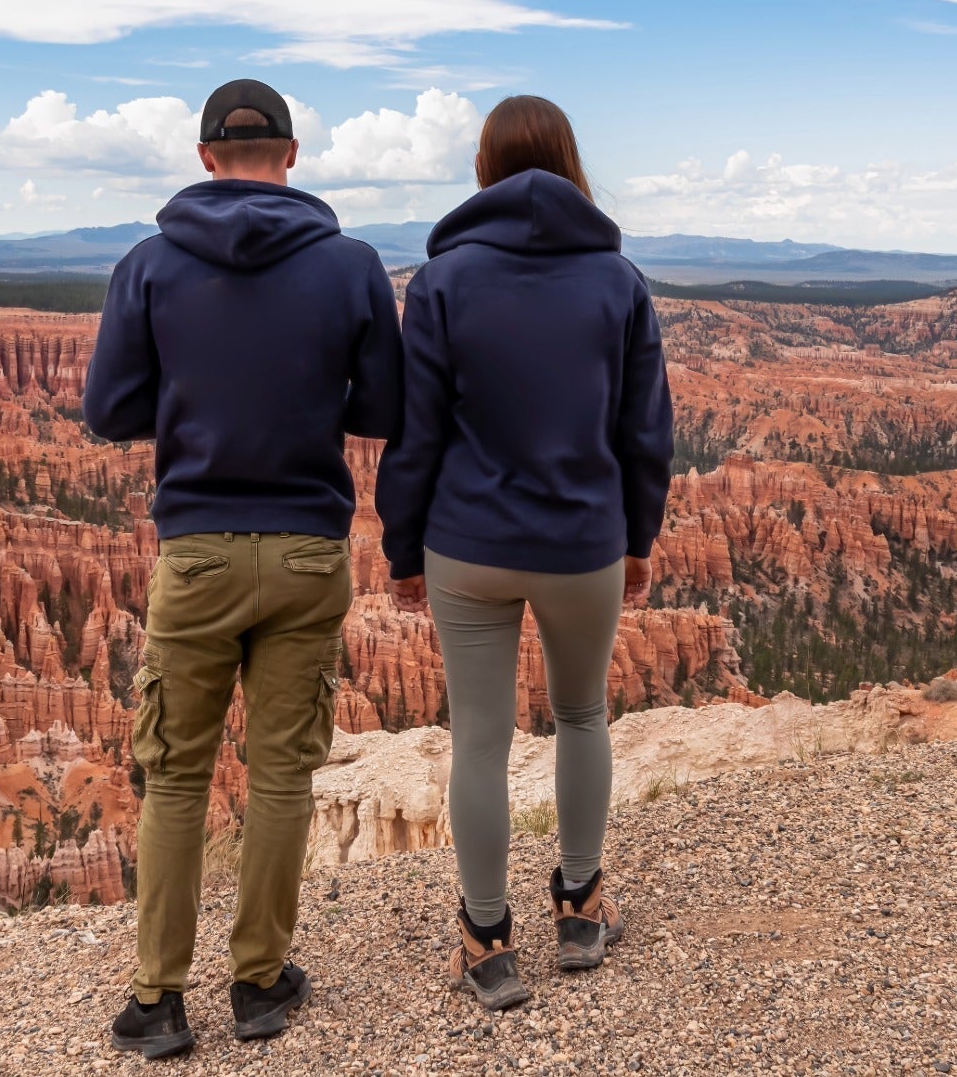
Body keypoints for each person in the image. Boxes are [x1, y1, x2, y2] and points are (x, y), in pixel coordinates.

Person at [84, 78, 403, 1058]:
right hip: (308, 548)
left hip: (200, 550)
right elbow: (385, 408)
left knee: (176, 777)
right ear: (294, 156)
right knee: (280, 774)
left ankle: (159, 999)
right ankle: (261, 981)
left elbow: (109, 410)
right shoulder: (350, 266)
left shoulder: (148, 264)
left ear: (206, 155)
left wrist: (192, 404)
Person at [375, 95, 675, 1010]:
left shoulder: (440, 283)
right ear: (571, 161)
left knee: (480, 737)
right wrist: (639, 535)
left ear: (484, 166)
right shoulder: (616, 281)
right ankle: (582, 912)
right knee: (582, 717)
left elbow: (415, 436)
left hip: (468, 543)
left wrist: (403, 547)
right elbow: (644, 433)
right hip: (584, 541)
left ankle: (486, 940)